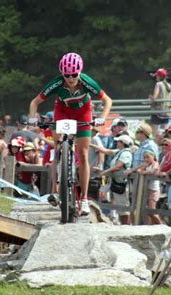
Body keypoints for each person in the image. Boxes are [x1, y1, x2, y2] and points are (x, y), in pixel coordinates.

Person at [29, 52, 112, 214]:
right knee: (58, 148)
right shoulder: (57, 83)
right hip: (63, 112)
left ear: (79, 72)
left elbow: (107, 100)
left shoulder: (87, 82)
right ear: (62, 73)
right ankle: (55, 191)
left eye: (74, 74)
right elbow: (35, 102)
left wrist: (102, 119)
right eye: (67, 75)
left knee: (83, 153)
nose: (71, 78)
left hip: (83, 113)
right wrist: (33, 118)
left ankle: (84, 198)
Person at [97, 134, 133, 224]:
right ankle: (123, 226)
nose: (116, 143)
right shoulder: (119, 152)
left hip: (122, 184)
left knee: (123, 209)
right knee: (120, 208)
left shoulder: (126, 153)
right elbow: (106, 151)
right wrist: (91, 145)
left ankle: (126, 227)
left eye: (118, 141)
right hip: (116, 182)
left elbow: (118, 166)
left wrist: (105, 172)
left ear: (123, 143)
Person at [149, 68, 171, 137]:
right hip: (167, 111)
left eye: (157, 75)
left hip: (158, 110)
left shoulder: (158, 84)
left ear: (159, 76)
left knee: (155, 133)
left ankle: (156, 144)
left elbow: (155, 97)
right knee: (164, 132)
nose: (156, 77)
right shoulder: (169, 85)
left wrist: (151, 97)